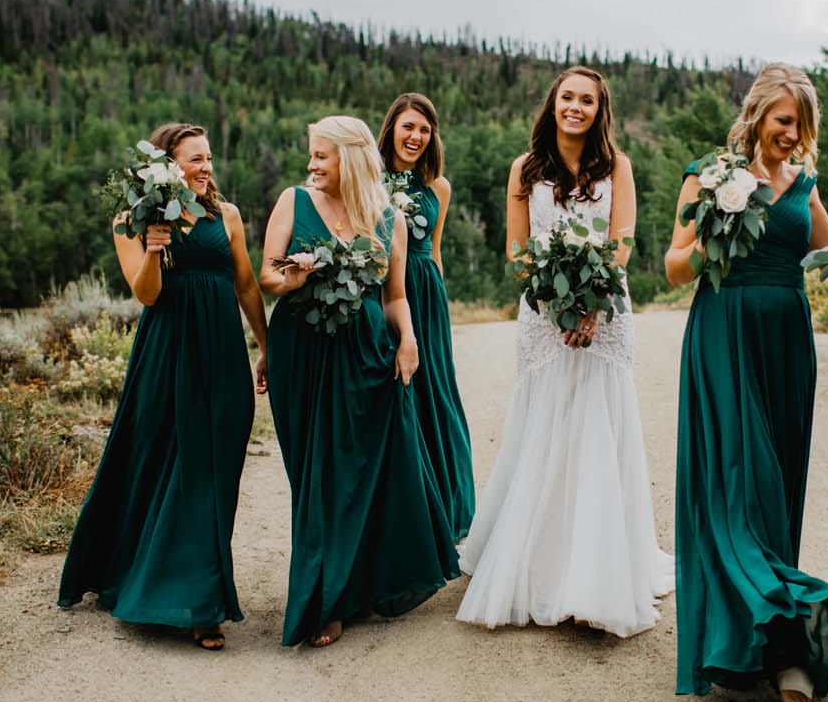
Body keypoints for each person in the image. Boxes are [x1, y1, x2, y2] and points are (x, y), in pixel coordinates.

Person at [456, 66, 673, 637]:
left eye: (587, 100)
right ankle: (539, 565)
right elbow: (516, 247)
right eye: (567, 97)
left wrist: (595, 303)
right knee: (546, 425)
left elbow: (622, 241)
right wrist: (558, 304)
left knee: (598, 424)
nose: (576, 107)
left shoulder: (616, 166)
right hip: (544, 314)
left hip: (605, 311)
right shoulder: (524, 170)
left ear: (601, 110)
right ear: (552, 103)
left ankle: (598, 573)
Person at [667, 64, 828, 702]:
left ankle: (770, 646)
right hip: (724, 334)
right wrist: (716, 226)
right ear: (759, 116)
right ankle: (790, 637)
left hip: (789, 346)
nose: (792, 136)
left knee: (778, 492)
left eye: (800, 126)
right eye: (784, 123)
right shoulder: (710, 176)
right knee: (737, 489)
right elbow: (674, 265)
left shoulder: (806, 185)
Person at [58, 122, 266, 652]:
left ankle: (199, 596)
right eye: (195, 160)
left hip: (222, 359)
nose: (206, 168)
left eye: (209, 159)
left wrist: (269, 346)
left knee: (215, 474)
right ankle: (190, 602)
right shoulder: (132, 219)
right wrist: (153, 247)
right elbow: (146, 295)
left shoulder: (228, 216)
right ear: (166, 166)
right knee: (160, 467)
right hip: (167, 358)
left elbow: (244, 282)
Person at [260, 115, 458, 649]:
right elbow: (266, 277)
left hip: (367, 351)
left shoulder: (387, 216)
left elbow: (394, 294)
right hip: (301, 351)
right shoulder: (292, 202)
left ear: (348, 157)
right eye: (311, 156)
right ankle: (328, 588)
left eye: (320, 156)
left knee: (361, 470)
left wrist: (409, 338)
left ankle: (341, 596)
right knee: (316, 474)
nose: (311, 165)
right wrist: (293, 276)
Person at [376, 92, 475, 540]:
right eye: (408, 127)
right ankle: (403, 514)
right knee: (394, 395)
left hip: (426, 293)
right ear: (391, 128)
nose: (415, 137)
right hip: (382, 291)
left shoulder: (439, 187)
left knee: (436, 398)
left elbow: (433, 252)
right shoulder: (369, 180)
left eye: (424, 129)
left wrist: (438, 309)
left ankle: (446, 511)